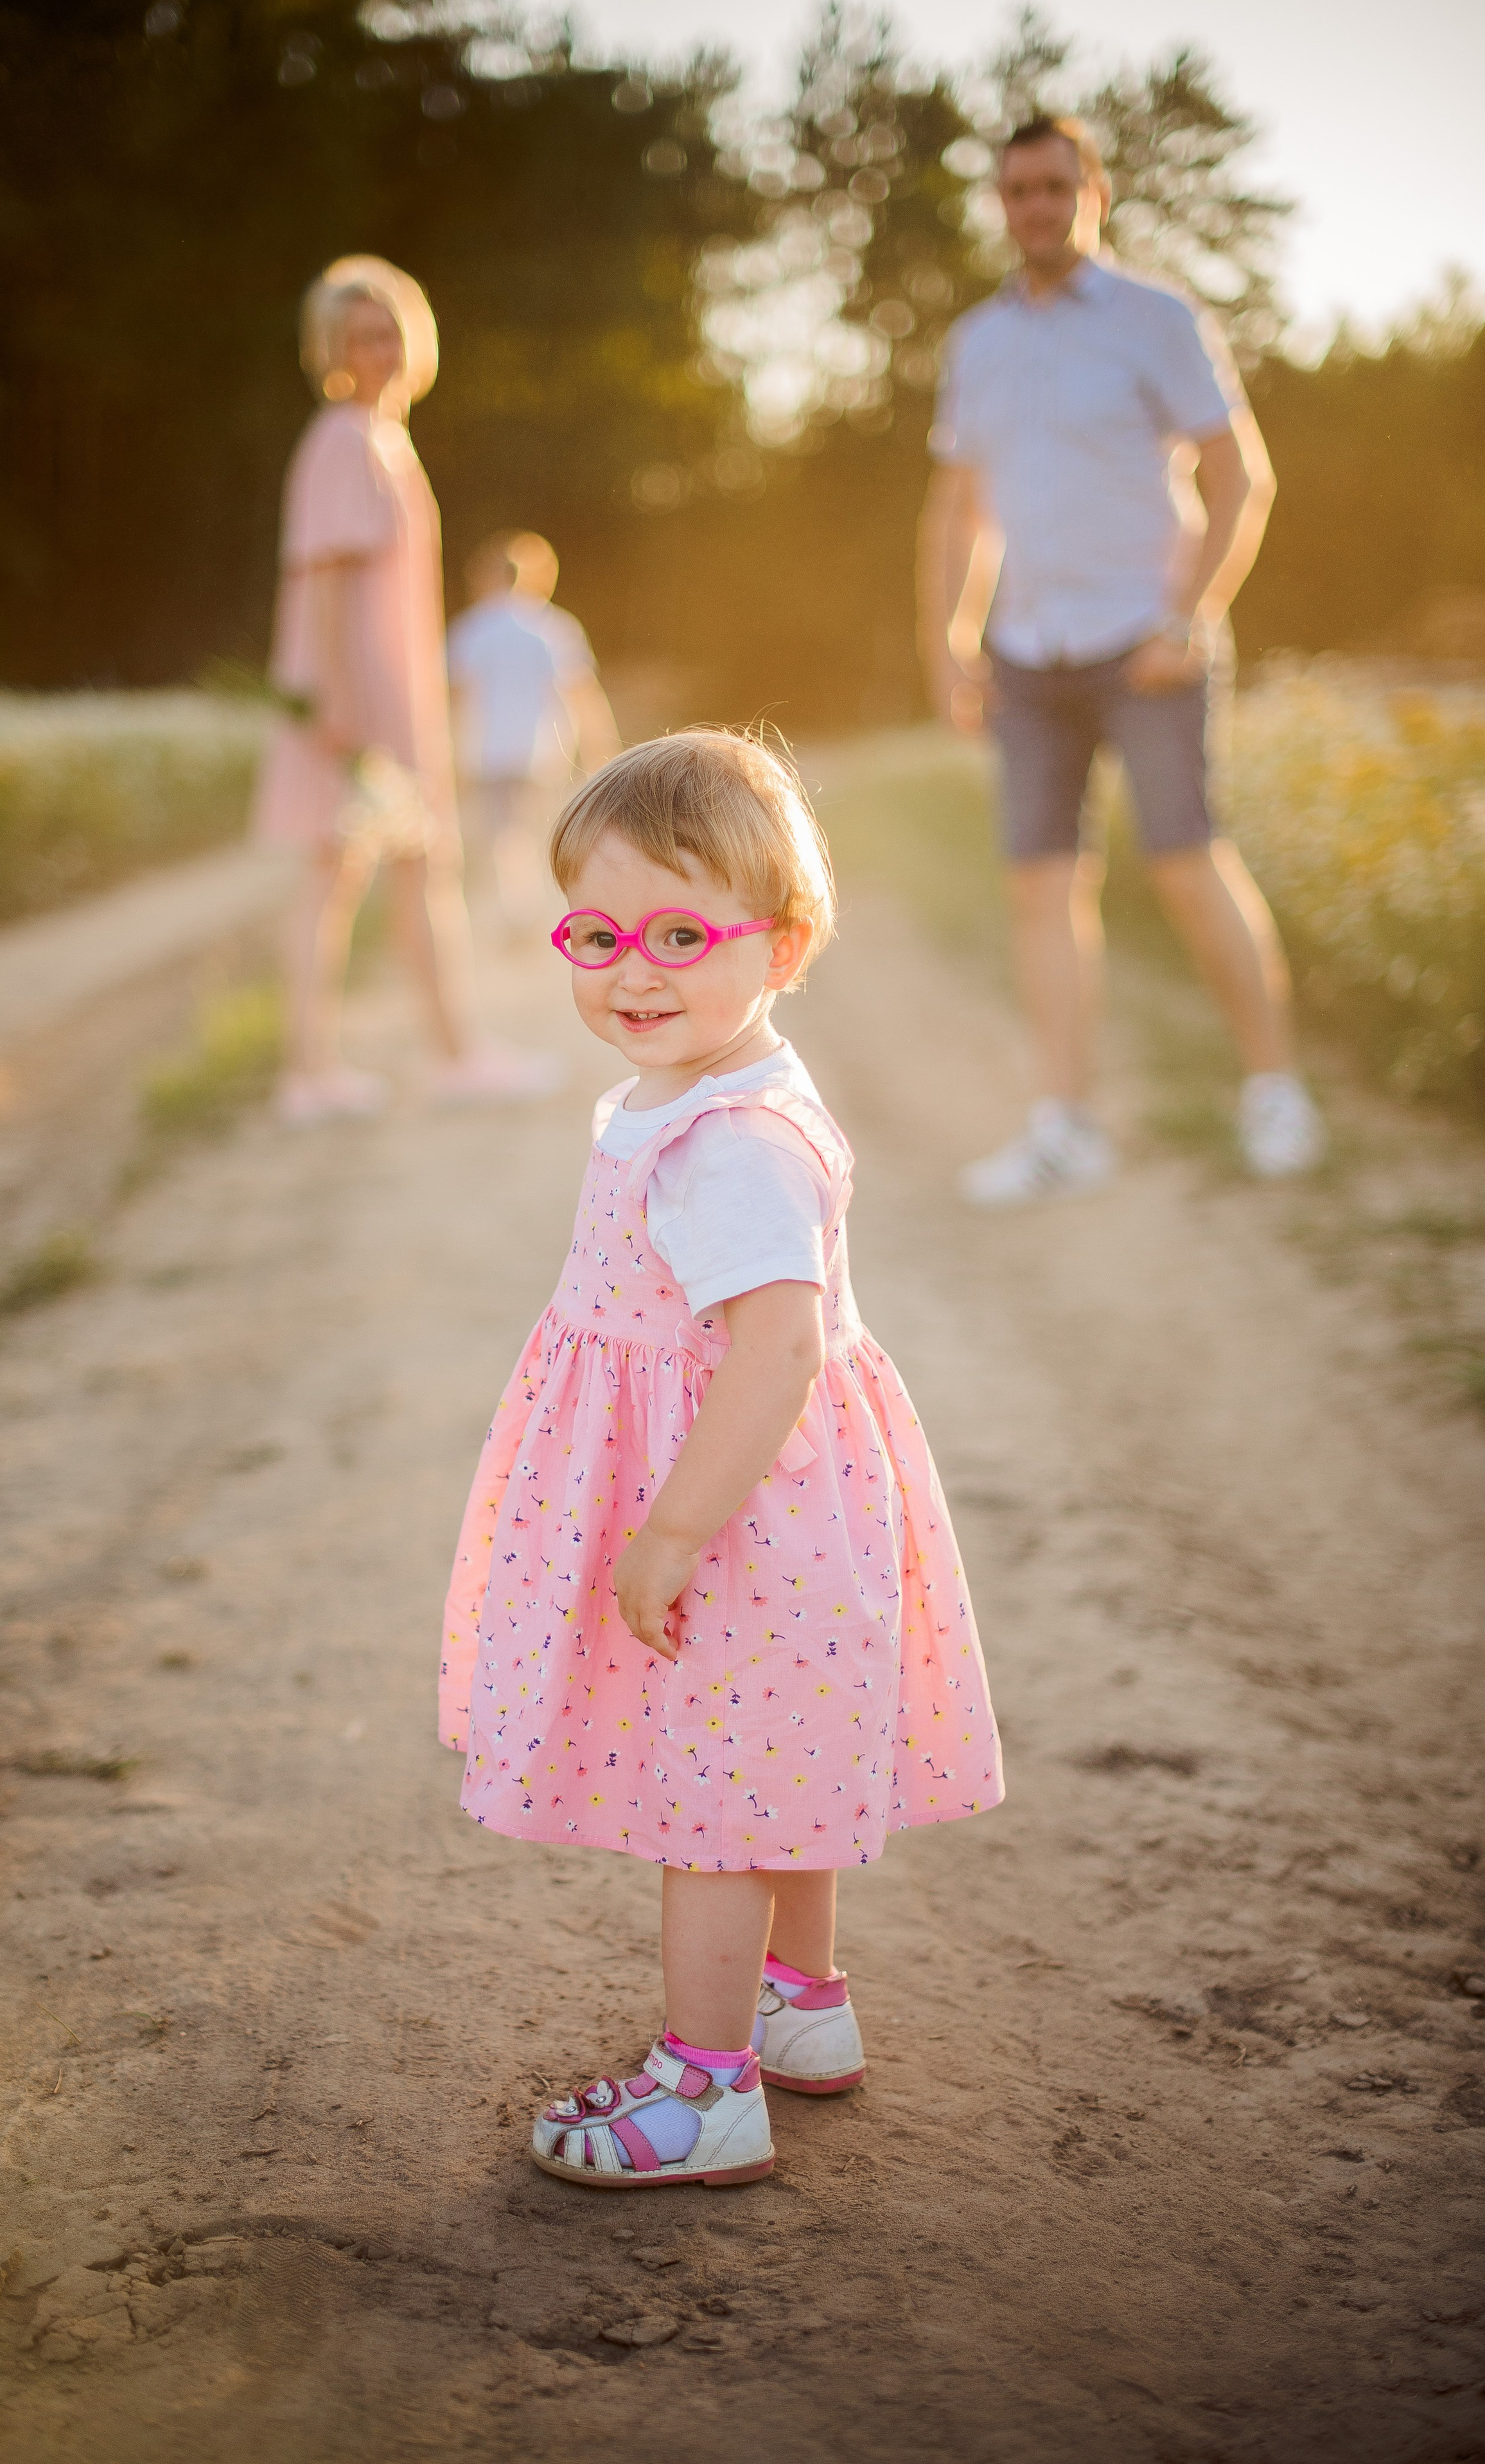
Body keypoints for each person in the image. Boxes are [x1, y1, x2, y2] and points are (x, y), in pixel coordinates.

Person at [439, 732, 1003, 2188]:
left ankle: (703, 2087)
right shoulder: (686, 1092)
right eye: (599, 931)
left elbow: (774, 1352)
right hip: (773, 1504)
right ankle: (796, 2005)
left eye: (683, 933)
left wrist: (672, 1528)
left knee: (712, 1802)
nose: (635, 967)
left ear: (784, 943)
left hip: (740, 1511)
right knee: (775, 1775)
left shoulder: (730, 1143)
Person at [918, 116, 1325, 1201]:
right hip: (1029, 657)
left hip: (1148, 645)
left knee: (1188, 865)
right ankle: (1066, 1126)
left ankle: (1275, 1092)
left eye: (1054, 187)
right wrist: (952, 642)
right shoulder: (978, 344)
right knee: (1041, 890)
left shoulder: (1158, 319)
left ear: (1094, 192)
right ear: (1000, 204)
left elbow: (1244, 475)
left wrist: (1190, 616)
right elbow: (960, 510)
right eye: (1016, 192)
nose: (1035, 208)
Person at [250, 255, 557, 1120]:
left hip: (384, 695)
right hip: (356, 701)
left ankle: (429, 1054)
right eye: (360, 336)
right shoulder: (343, 438)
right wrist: (341, 709)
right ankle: (322, 1072)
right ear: (332, 349)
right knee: (345, 871)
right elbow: (329, 587)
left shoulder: (383, 440)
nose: (379, 350)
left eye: (389, 331)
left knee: (390, 870)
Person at [446, 530, 622, 935]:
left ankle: (521, 911)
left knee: (505, 835)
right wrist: (602, 749)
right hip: (545, 751)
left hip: (488, 752)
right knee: (535, 830)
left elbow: (459, 699)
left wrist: (451, 755)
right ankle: (545, 907)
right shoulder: (554, 627)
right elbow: (583, 693)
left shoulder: (471, 630)